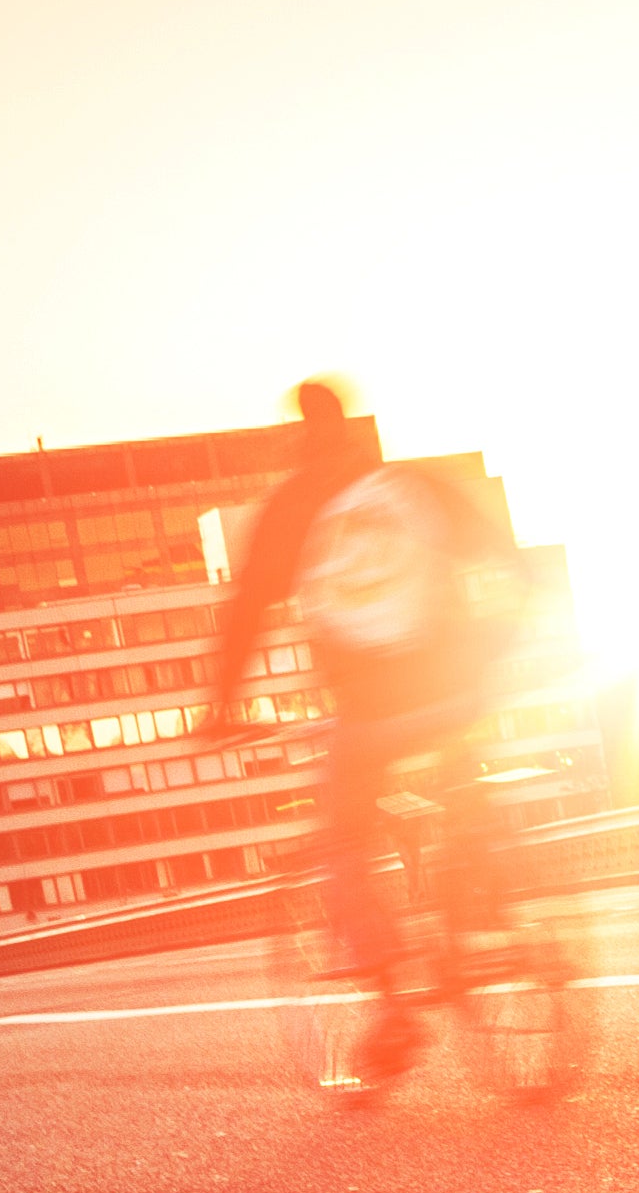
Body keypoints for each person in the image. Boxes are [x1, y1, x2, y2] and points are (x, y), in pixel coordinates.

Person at [200, 382, 520, 1091]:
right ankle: (485, 893)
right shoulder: (411, 484)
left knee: (342, 840)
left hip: (372, 711)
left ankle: (395, 1005)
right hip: (456, 685)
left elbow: (247, 611)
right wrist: (504, 636)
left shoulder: (294, 508)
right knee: (457, 766)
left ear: (299, 438)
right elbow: (503, 555)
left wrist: (221, 706)